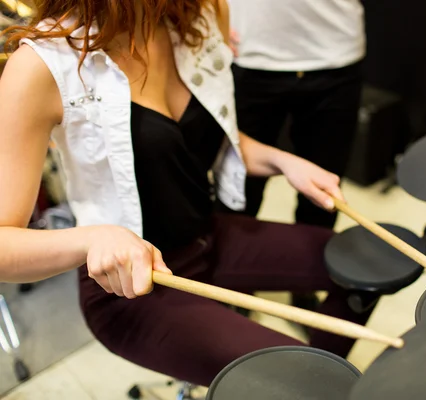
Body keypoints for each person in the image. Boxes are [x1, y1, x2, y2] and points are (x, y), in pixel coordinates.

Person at [0, 0, 371, 386]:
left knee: (366, 271)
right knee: (303, 379)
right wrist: (94, 237)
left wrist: (283, 160)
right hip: (132, 289)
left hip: (207, 236)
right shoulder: (42, 66)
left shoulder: (196, 17)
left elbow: (200, 134)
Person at [226, 0, 426, 229]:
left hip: (335, 66)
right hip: (246, 62)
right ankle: (235, 290)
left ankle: (305, 282)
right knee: (239, 190)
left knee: (324, 197)